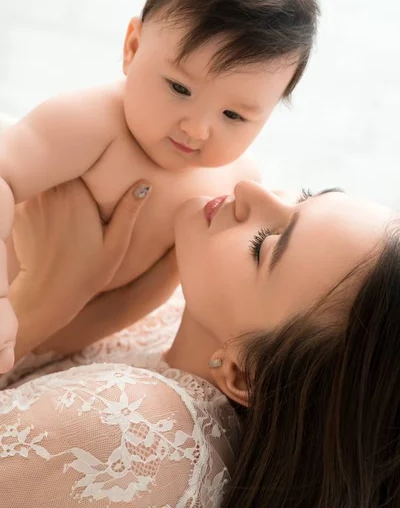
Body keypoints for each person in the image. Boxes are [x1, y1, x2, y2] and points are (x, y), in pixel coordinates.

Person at [0, 0, 320, 373]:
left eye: (234, 115)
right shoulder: (92, 123)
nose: (196, 129)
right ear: (132, 47)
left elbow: (163, 296)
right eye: (179, 88)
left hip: (63, 336)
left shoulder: (234, 186)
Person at [1, 174, 399, 507]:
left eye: (263, 244)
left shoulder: (132, 427)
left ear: (241, 375)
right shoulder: (186, 320)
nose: (247, 189)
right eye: (303, 197)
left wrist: (44, 299)